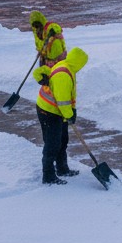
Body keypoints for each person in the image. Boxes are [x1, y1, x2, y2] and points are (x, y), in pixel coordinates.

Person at [34, 47, 88, 185]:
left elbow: (70, 96)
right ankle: (48, 176)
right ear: (78, 62)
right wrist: (69, 114)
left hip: (57, 111)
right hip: (48, 111)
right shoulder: (64, 74)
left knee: (63, 140)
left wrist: (73, 111)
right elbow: (62, 101)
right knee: (52, 144)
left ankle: (62, 168)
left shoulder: (69, 68)